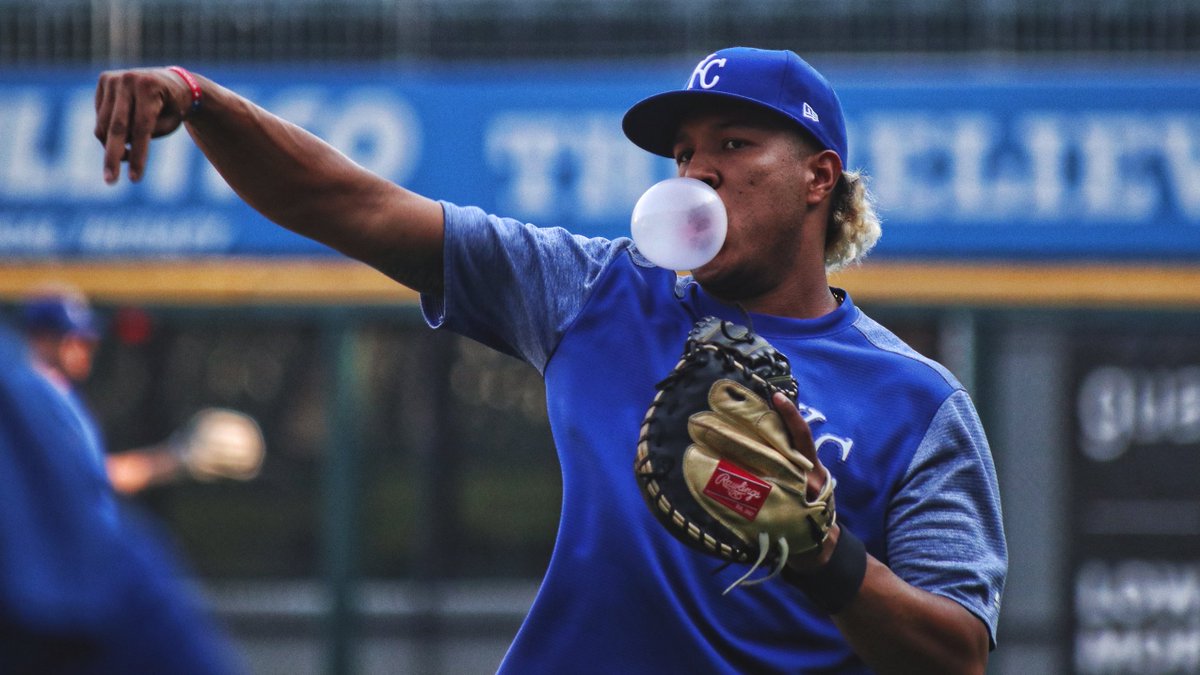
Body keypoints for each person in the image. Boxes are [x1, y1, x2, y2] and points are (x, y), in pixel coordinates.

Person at [95, 47, 1007, 673]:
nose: (698, 173)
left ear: (819, 176)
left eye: (734, 144)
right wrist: (201, 99)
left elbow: (956, 652)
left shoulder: (918, 402)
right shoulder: (600, 292)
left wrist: (822, 556)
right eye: (684, 153)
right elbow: (354, 205)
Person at [0, 319, 243, 674]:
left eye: (85, 339)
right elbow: (88, 483)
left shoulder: (51, 399)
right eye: (68, 338)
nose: (81, 348)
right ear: (41, 338)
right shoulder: (29, 399)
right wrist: (175, 459)